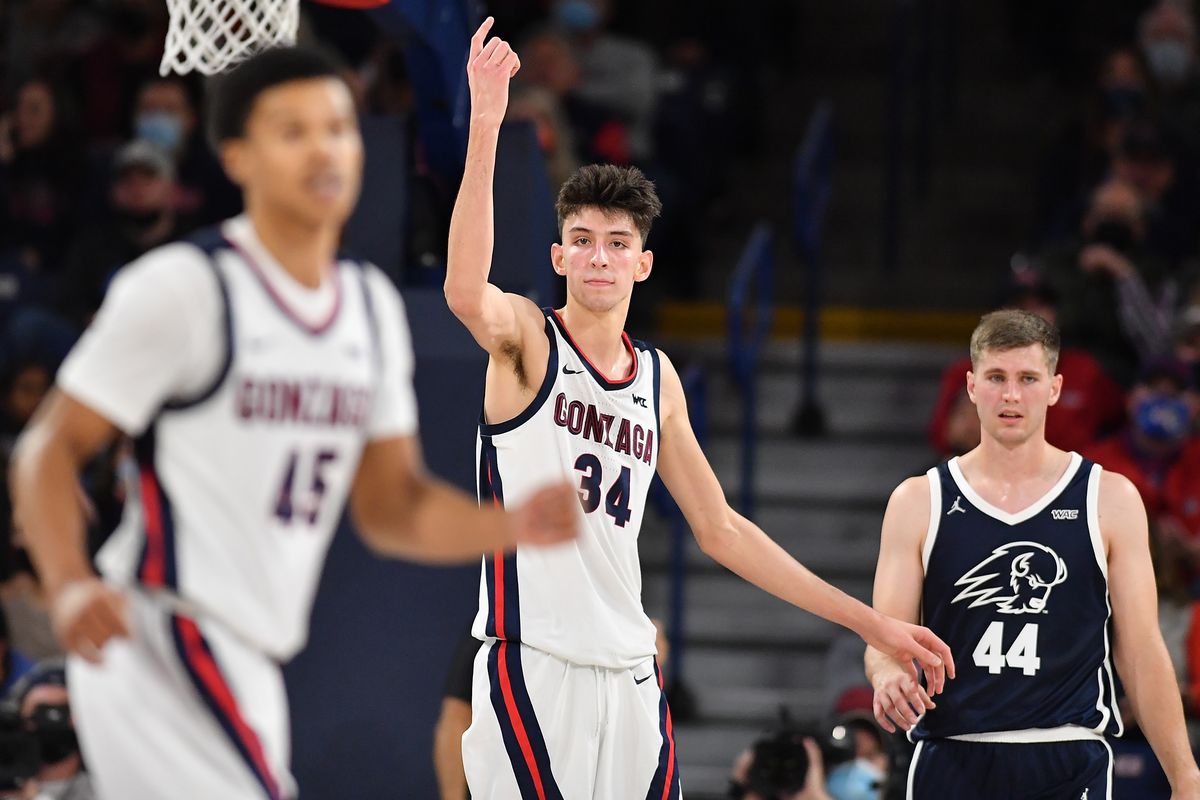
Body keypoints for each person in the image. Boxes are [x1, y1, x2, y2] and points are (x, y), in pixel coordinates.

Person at [10, 46, 579, 799]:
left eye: (338, 127)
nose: (323, 149)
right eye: (293, 131)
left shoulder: (370, 308)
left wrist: (510, 527)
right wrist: (71, 583)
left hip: (250, 654)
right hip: (159, 636)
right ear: (237, 156)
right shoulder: (187, 288)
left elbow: (394, 507)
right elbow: (49, 447)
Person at [445, 18, 953, 798]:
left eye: (617, 242)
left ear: (644, 264)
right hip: (531, 660)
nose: (598, 255)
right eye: (580, 239)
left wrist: (871, 622)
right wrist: (485, 128)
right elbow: (461, 289)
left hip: (630, 670)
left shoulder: (657, 379)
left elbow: (721, 530)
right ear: (558, 257)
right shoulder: (527, 341)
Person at [865, 309, 1200, 799]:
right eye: (996, 377)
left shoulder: (1110, 498)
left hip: (1066, 754)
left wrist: (1186, 775)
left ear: (1055, 388)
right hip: (953, 752)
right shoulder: (918, 500)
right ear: (972, 386)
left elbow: (1140, 650)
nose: (1012, 395)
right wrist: (889, 673)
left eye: (1027, 378)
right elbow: (885, 638)